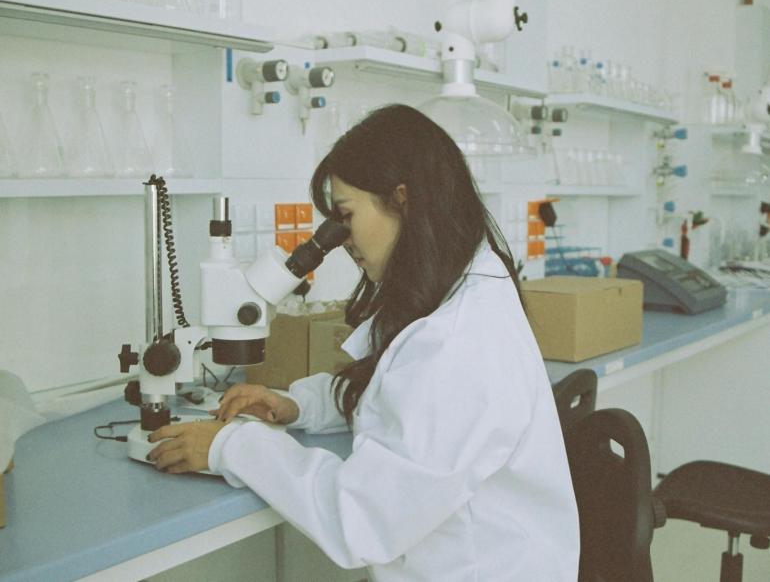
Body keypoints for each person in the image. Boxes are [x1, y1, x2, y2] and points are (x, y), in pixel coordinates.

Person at [148, 104, 580, 580]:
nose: (341, 238)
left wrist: (231, 445)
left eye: (346, 214)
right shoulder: (461, 285)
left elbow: (362, 520)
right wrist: (297, 406)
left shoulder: (459, 343)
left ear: (402, 199)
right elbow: (395, 394)